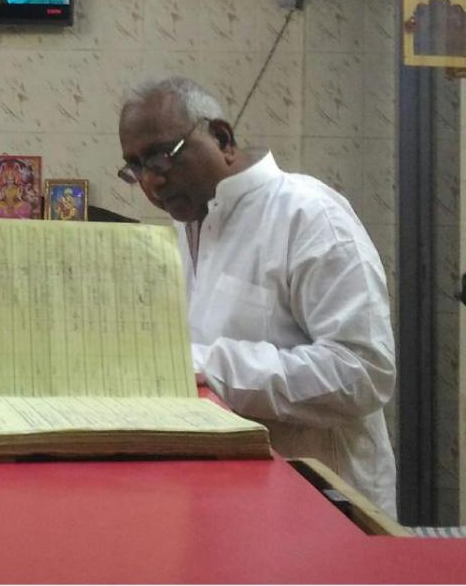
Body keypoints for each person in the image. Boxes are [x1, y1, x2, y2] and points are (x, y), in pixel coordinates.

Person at [117, 76, 398, 516]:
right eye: (135, 167)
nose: (151, 181)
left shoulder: (308, 214)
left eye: (160, 156)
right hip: (226, 499)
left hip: (323, 508)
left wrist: (202, 366)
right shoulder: (187, 226)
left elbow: (363, 373)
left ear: (222, 138)